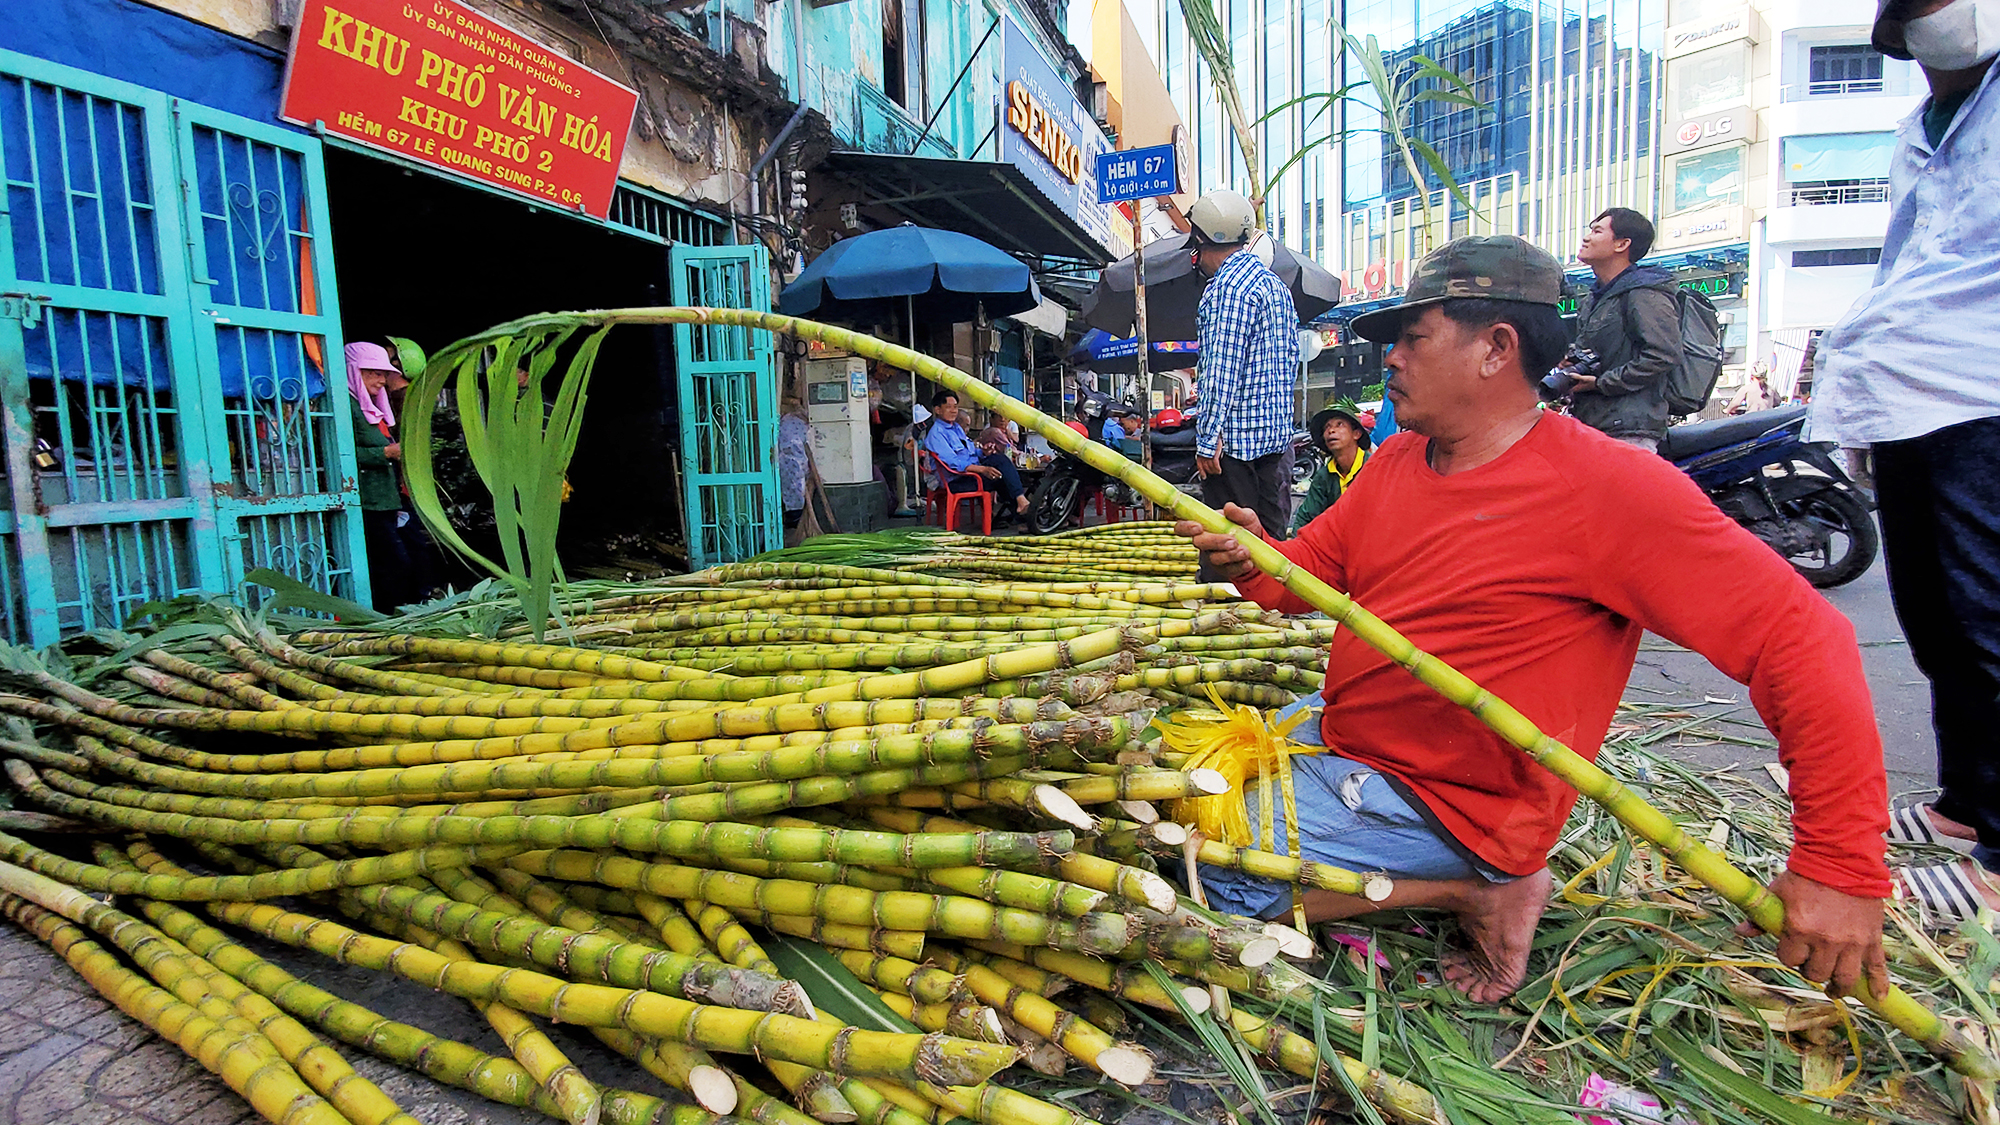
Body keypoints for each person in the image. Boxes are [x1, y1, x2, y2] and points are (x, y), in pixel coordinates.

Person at [1176, 235, 1892, 1003]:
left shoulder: (1609, 487)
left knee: (1200, 865)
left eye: (1412, 339)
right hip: (1352, 739)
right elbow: (1311, 574)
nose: (1392, 361)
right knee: (1170, 785)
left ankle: (1479, 889)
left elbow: (1802, 635)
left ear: (1496, 348)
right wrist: (1256, 559)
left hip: (1457, 803)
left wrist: (1840, 863)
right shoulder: (1394, 463)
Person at [1808, 0, 2000, 928]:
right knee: (1938, 613)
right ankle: (1966, 806)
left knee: (1988, 609)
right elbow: (1908, 262)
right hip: (1911, 389)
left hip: (1986, 389)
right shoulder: (1917, 130)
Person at [1189, 189, 1299, 562]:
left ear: (1203, 242)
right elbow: (1291, 360)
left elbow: (1220, 368)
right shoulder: (1276, 287)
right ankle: (1277, 616)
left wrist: (1207, 441)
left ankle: (1231, 615)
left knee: (1229, 555)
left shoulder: (1227, 289)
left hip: (1234, 451)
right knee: (1271, 551)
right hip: (1276, 445)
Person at [1566, 208, 1682, 452]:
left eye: (1597, 231)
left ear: (1621, 244)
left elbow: (1663, 355)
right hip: (1594, 425)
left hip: (1629, 431)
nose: (1586, 237)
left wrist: (1601, 383)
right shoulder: (1594, 297)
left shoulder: (1645, 292)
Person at [344, 342, 420, 612]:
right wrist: (385, 453)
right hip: (367, 501)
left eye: (383, 373)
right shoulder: (346, 408)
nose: (381, 379)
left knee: (396, 561)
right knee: (392, 563)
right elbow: (338, 454)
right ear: (354, 372)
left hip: (386, 499)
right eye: (372, 373)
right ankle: (387, 619)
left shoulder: (373, 408)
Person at [922, 390, 1027, 521]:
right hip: (957, 481)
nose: (954, 411)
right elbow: (953, 463)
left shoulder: (956, 428)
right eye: (949, 407)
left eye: (955, 407)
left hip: (972, 474)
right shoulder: (936, 434)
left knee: (1002, 471)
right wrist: (982, 469)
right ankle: (1022, 507)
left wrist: (983, 452)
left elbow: (969, 452)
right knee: (1002, 469)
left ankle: (1021, 513)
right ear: (937, 410)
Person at [1290, 406, 1373, 534]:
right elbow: (1306, 517)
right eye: (1327, 427)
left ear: (1356, 434)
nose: (1331, 430)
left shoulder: (1373, 467)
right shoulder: (1324, 476)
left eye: (1339, 425)